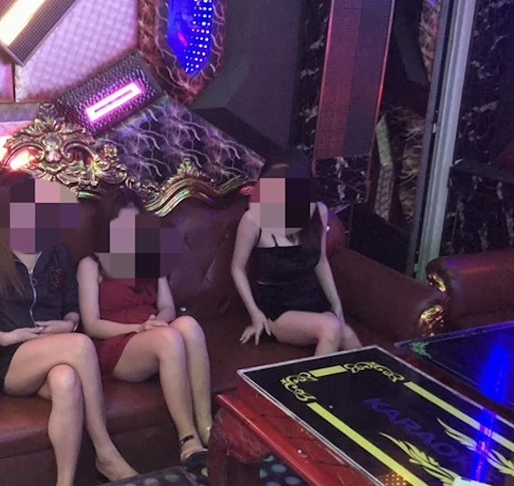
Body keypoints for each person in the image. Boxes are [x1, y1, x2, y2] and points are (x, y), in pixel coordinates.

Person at [0, 170, 138, 486]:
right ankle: (105, 451)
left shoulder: (56, 253)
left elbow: (71, 306)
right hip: (5, 356)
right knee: (80, 347)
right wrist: (6, 337)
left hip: (54, 349)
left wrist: (69, 323)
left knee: (66, 380)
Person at [76, 189, 212, 463]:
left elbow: (167, 306)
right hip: (116, 343)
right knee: (169, 339)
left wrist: (158, 322)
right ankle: (188, 439)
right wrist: (139, 329)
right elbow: (91, 325)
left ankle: (207, 427)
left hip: (153, 332)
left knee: (189, 325)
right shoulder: (91, 265)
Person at [231, 154, 362, 355]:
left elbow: (320, 261)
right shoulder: (253, 220)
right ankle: (313, 378)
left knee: (349, 336)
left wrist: (336, 304)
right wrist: (255, 314)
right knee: (330, 327)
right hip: (277, 308)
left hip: (312, 301)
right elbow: (237, 268)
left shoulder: (319, 212)